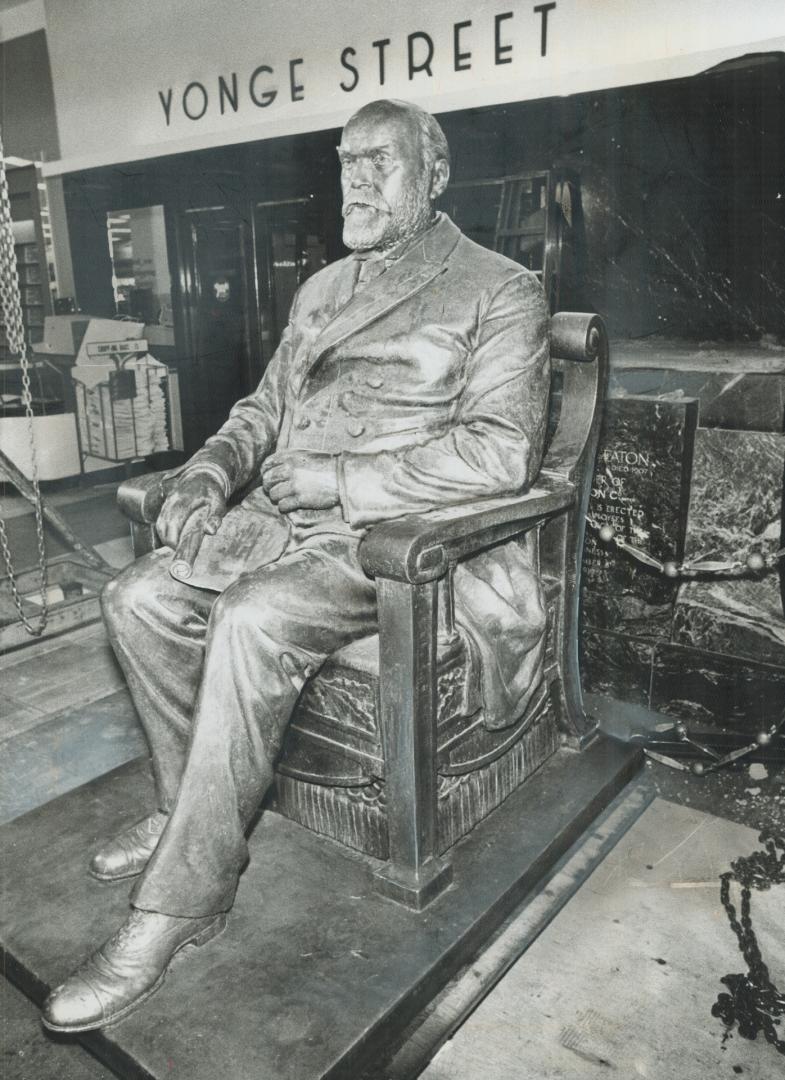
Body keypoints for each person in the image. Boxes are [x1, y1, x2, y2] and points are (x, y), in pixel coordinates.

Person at [43, 98, 550, 1033]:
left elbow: (500, 457)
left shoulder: (499, 288)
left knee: (250, 618)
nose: (354, 178)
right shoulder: (321, 291)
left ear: (433, 175)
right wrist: (204, 476)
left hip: (405, 549)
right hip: (287, 524)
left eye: (378, 162)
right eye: (345, 161)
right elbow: (259, 411)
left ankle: (181, 904)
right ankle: (179, 811)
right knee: (138, 595)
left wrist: (343, 479)